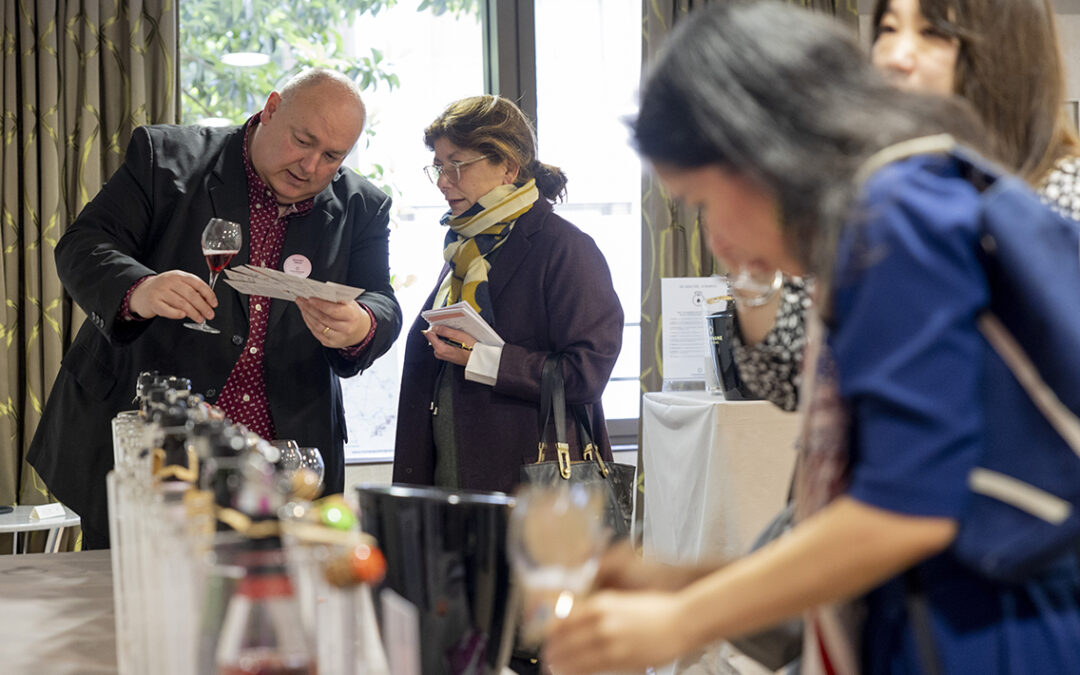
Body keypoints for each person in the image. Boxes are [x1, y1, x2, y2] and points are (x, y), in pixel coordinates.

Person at [543, 3, 1080, 674]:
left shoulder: (896, 215)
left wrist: (683, 618)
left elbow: (907, 512)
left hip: (983, 637)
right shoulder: (899, 205)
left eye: (704, 201)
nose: (714, 239)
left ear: (761, 151)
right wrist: (690, 581)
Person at [27, 68, 402, 549]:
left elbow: (381, 299)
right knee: (132, 611)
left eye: (332, 156)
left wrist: (363, 324)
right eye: (302, 141)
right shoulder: (168, 159)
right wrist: (138, 288)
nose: (310, 166)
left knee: (266, 616)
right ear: (270, 110)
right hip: (152, 447)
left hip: (281, 465)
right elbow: (83, 245)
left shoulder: (362, 206)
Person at [732, 0, 1080, 411]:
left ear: (1005, 55)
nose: (896, 57)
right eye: (889, 29)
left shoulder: (1060, 198)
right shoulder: (871, 191)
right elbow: (789, 370)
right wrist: (755, 264)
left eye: (932, 33)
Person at [392, 95, 623, 495]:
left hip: (530, 491)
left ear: (508, 168)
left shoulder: (565, 248)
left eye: (457, 164)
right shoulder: (468, 248)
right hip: (454, 483)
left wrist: (484, 359)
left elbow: (587, 373)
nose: (444, 181)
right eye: (439, 166)